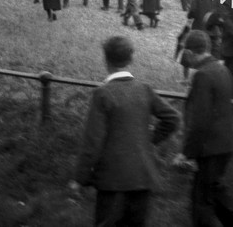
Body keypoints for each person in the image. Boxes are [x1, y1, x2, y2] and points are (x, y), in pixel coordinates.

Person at [71, 36, 180, 226]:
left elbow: (93, 141)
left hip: (112, 179)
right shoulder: (144, 89)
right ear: (130, 60)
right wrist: (150, 139)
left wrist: (79, 179)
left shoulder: (103, 94)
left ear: (106, 60)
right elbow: (173, 118)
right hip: (142, 175)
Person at [180, 30, 233, 227]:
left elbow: (200, 120)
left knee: (201, 203)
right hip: (226, 143)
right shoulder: (222, 69)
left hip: (209, 147)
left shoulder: (202, 75)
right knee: (215, 191)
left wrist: (186, 153)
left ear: (190, 53)